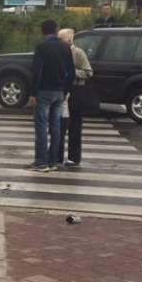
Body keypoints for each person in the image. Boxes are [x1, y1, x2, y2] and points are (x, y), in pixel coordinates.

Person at [28, 19, 74, 172]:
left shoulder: (42, 46)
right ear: (56, 30)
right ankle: (53, 161)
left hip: (44, 90)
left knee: (41, 126)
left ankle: (41, 162)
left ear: (43, 31)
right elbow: (71, 71)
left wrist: (33, 92)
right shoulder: (65, 47)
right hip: (60, 91)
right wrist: (66, 90)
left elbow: (36, 70)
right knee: (56, 126)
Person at [55, 28, 93, 167]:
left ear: (69, 40)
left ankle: (73, 157)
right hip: (62, 90)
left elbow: (88, 72)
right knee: (59, 124)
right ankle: (57, 155)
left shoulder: (78, 52)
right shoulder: (58, 52)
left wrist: (72, 73)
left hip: (76, 90)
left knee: (75, 125)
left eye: (61, 39)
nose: (59, 42)